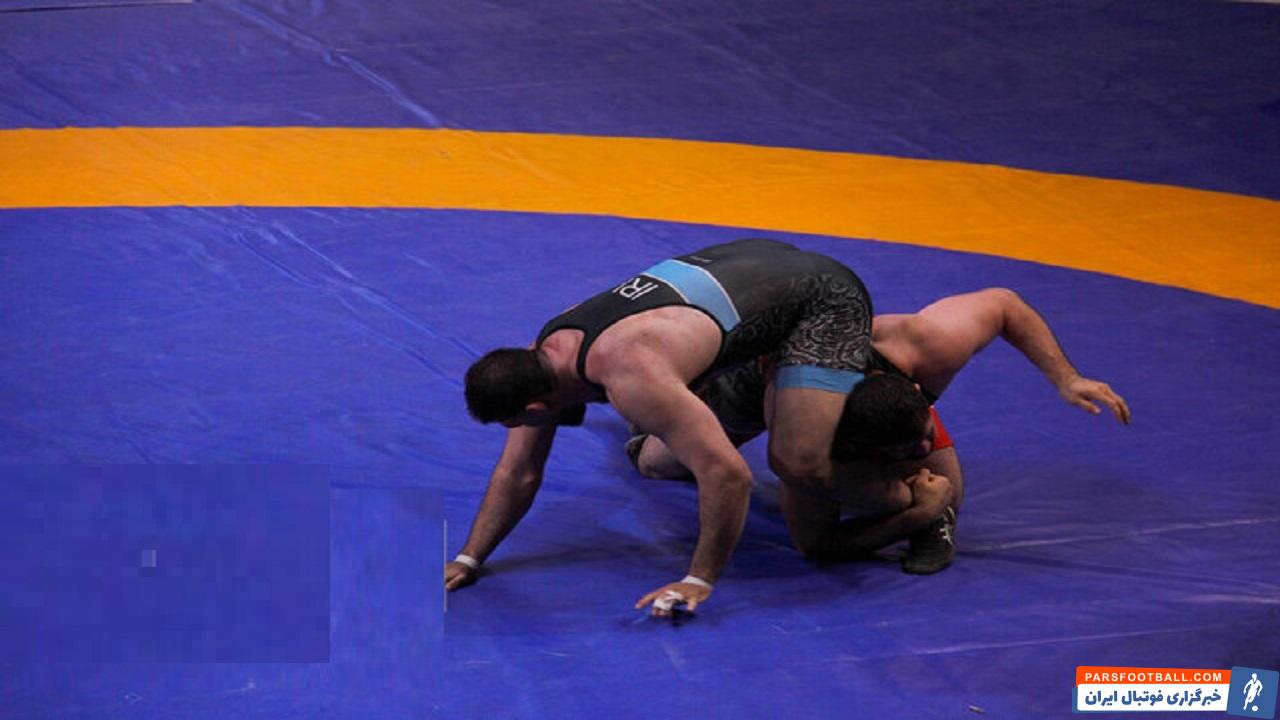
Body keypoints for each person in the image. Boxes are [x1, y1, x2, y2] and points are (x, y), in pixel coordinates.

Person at [450, 238, 876, 615]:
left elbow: (729, 475)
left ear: (536, 405)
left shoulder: (629, 375)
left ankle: (912, 497)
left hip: (822, 298)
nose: (522, 430)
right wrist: (468, 559)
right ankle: (759, 382)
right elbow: (518, 471)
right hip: (753, 265)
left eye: (521, 421)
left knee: (798, 464)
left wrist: (698, 579)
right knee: (655, 461)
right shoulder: (541, 358)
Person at [628, 288, 1131, 574]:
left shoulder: (926, 345)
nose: (925, 450)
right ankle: (670, 397)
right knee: (657, 462)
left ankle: (926, 495)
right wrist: (914, 515)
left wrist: (1066, 378)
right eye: (909, 450)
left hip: (860, 387)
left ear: (914, 389)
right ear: (854, 448)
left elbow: (1002, 303)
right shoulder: (806, 443)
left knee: (947, 489)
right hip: (758, 379)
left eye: (923, 432)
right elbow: (815, 545)